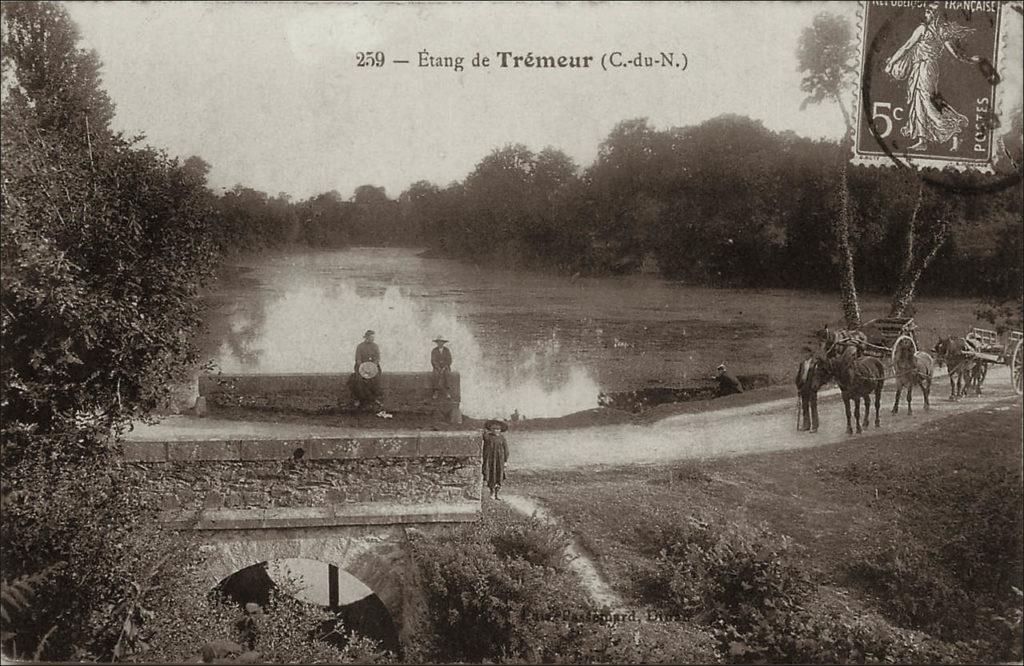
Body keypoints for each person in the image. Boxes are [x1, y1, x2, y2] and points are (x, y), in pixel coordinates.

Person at [883, 1, 980, 152]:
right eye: (927, 11)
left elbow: (907, 46)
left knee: (927, 102)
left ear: (935, 16)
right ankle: (923, 140)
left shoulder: (924, 29)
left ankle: (954, 129)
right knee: (919, 102)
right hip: (923, 68)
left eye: (929, 12)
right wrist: (967, 59)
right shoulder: (942, 32)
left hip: (925, 68)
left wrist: (891, 63)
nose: (926, 14)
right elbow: (956, 53)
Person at [349, 329, 382, 410]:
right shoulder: (360, 346)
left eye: (373, 337)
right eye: (371, 337)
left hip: (372, 366)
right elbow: (358, 358)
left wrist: (372, 365)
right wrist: (363, 367)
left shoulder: (375, 346)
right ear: (367, 337)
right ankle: (358, 399)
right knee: (358, 380)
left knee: (377, 379)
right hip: (361, 367)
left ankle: (375, 398)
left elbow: (377, 358)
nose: (373, 339)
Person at [795, 347, 821, 433]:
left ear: (810, 353)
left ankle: (815, 426)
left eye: (806, 353)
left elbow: (817, 376)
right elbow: (799, 375)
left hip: (811, 387)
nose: (804, 355)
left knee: (813, 406)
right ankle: (806, 425)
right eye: (803, 353)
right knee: (804, 406)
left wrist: (815, 386)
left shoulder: (815, 363)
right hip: (803, 387)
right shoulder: (802, 364)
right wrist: (798, 386)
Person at [481, 420, 509, 500]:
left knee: (499, 475)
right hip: (490, 460)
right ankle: (492, 492)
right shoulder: (488, 437)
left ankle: (497, 493)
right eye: (493, 429)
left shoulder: (502, 438)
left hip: (500, 460)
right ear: (490, 429)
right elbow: (483, 435)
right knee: (491, 475)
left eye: (497, 429)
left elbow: (506, 450)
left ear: (500, 430)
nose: (495, 430)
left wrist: (505, 461)